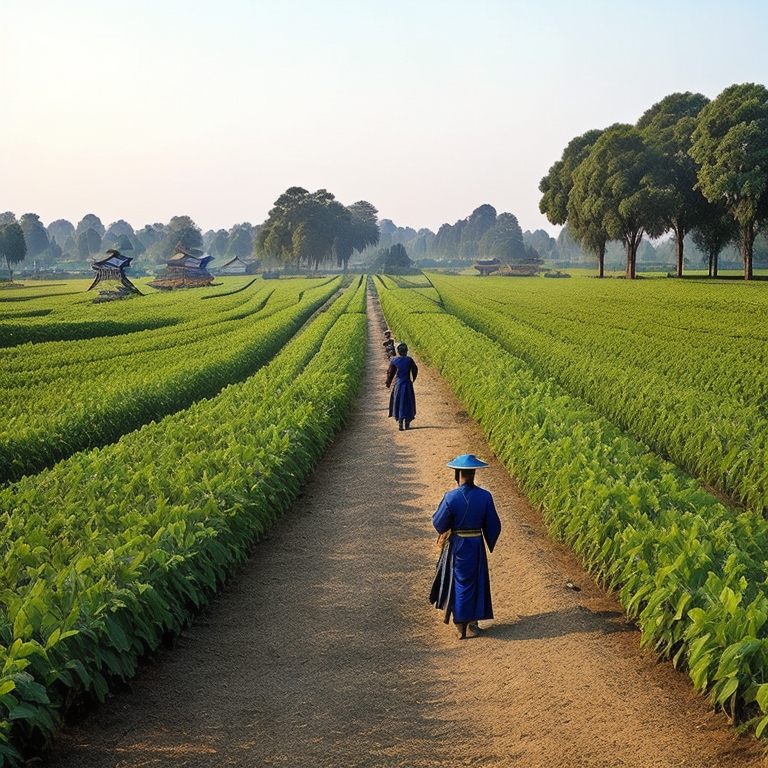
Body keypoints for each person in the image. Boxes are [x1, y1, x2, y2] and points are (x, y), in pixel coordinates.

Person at [430, 454, 501, 639]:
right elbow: (494, 525)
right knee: (475, 582)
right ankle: (471, 624)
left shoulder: (450, 497)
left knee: (459, 583)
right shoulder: (485, 496)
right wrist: (489, 539)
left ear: (458, 473)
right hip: (476, 544)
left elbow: (439, 524)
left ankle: (460, 626)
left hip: (458, 545)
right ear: (474, 474)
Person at [385, 342, 418, 431]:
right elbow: (415, 370)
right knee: (408, 401)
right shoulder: (409, 360)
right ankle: (407, 423)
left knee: (398, 401)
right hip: (407, 383)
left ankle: (400, 423)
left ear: (398, 352)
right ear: (406, 351)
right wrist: (413, 379)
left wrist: (388, 382)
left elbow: (390, 373)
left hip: (399, 384)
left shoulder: (395, 361)